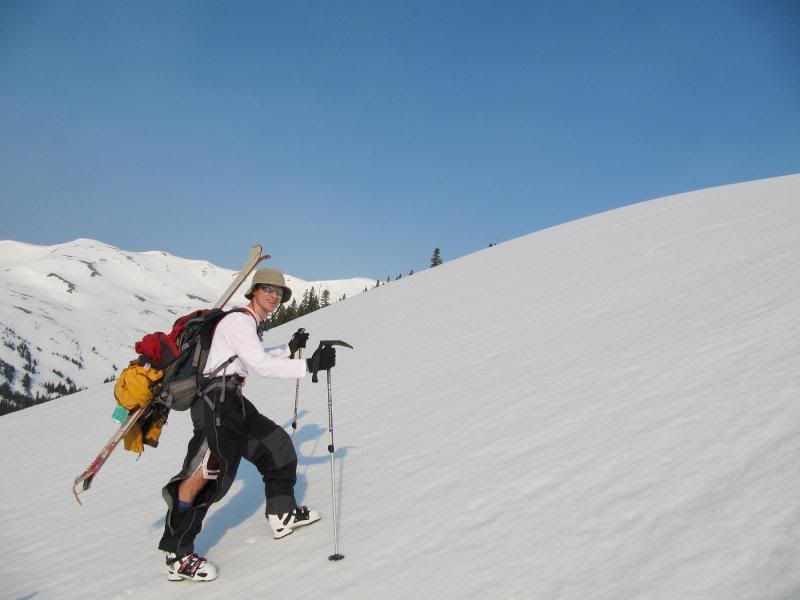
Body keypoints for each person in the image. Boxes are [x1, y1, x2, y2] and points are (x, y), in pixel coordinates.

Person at [158, 267, 336, 582]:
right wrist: (309, 364)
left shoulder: (247, 325)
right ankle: (178, 555)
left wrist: (290, 349)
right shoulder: (239, 321)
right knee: (208, 478)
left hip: (232, 401)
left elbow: (252, 357)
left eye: (279, 292)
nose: (273, 295)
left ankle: (282, 513)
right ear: (253, 291)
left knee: (277, 447)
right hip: (216, 406)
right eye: (267, 288)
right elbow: (261, 366)